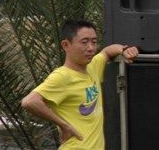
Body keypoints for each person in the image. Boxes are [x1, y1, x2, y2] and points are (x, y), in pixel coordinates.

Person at [21, 19, 139, 149]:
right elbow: (29, 101)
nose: (91, 48)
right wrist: (63, 125)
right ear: (66, 45)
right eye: (84, 42)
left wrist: (124, 50)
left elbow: (106, 51)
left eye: (94, 42)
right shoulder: (62, 76)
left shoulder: (93, 66)